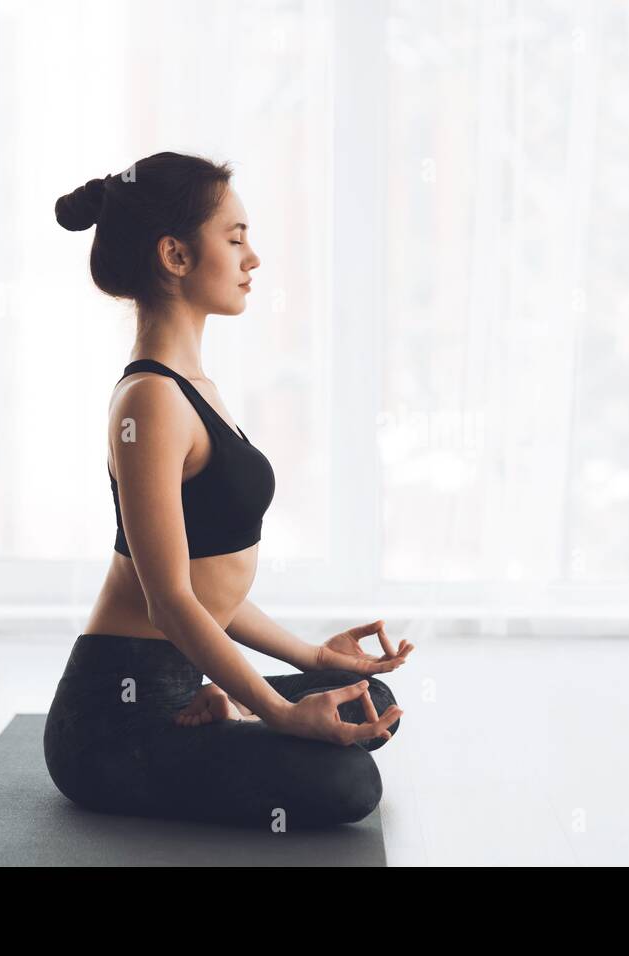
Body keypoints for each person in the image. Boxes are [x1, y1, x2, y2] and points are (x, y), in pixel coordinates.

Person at [43, 151, 411, 830]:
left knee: (364, 693)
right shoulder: (148, 402)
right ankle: (231, 711)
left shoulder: (192, 390)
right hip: (115, 725)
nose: (254, 259)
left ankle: (225, 707)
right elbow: (168, 600)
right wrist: (276, 708)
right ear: (175, 256)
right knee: (349, 784)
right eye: (235, 238)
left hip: (182, 682)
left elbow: (207, 585)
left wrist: (315, 658)